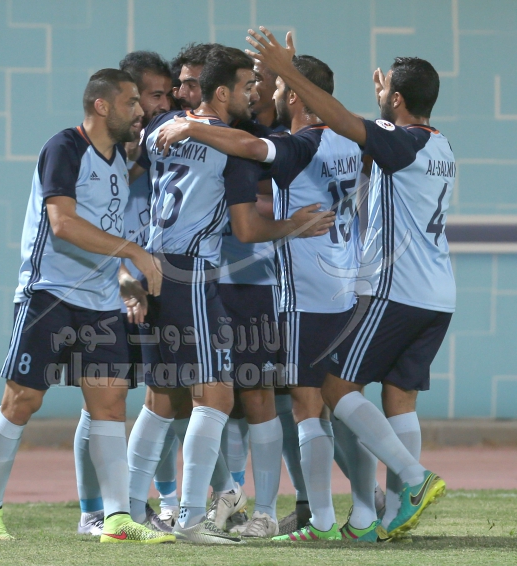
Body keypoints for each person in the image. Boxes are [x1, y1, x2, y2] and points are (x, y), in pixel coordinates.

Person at [246, 27, 454, 540]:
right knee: (400, 397)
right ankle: (379, 518)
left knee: (335, 388)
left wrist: (288, 71)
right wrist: (381, 111)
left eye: (386, 92)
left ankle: (412, 478)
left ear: (398, 100)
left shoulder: (399, 142)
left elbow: (340, 120)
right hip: (438, 295)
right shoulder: (440, 145)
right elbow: (358, 133)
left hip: (393, 290)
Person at [126, 45, 334, 544]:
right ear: (222, 92)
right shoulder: (233, 148)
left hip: (153, 268)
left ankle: (124, 513)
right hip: (192, 272)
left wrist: (193, 126)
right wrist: (293, 225)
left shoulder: (162, 127)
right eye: (246, 86)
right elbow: (246, 228)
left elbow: (150, 158)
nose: (254, 94)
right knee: (217, 395)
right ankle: (191, 518)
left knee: (161, 397)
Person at [0, 68, 174, 545]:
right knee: (23, 400)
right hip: (49, 296)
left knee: (110, 405)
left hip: (100, 304)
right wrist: (133, 252)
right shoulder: (64, 147)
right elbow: (62, 224)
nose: (139, 111)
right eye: (130, 102)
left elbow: (104, 227)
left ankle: (117, 519)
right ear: (102, 106)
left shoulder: (120, 160)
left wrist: (123, 278)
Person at [73, 52, 173, 536]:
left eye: (165, 95)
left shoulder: (160, 150)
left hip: (151, 292)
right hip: (111, 297)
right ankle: (93, 510)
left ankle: (149, 503)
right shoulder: (100, 155)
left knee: (161, 395)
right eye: (151, 96)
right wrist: (124, 281)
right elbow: (89, 232)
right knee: (101, 407)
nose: (159, 105)